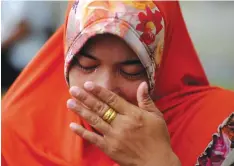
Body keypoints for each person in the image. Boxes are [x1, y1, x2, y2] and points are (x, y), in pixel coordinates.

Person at [2, 1, 234, 166]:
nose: (105, 87)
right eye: (87, 65)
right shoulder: (18, 131)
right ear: (66, 58)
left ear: (162, 65)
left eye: (131, 70)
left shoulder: (221, 125)